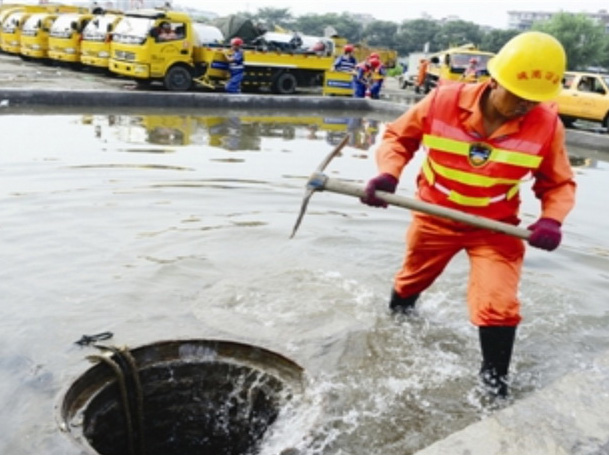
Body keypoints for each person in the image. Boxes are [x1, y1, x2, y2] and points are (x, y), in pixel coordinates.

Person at [360, 31, 576, 398]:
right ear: (494, 81)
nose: (526, 105)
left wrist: (552, 219)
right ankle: (396, 323)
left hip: (494, 227)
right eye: (518, 96)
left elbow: (558, 183)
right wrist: (388, 174)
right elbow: (398, 138)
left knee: (499, 303)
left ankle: (494, 385)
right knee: (411, 281)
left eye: (534, 100)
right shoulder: (443, 101)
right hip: (434, 215)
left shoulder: (546, 124)